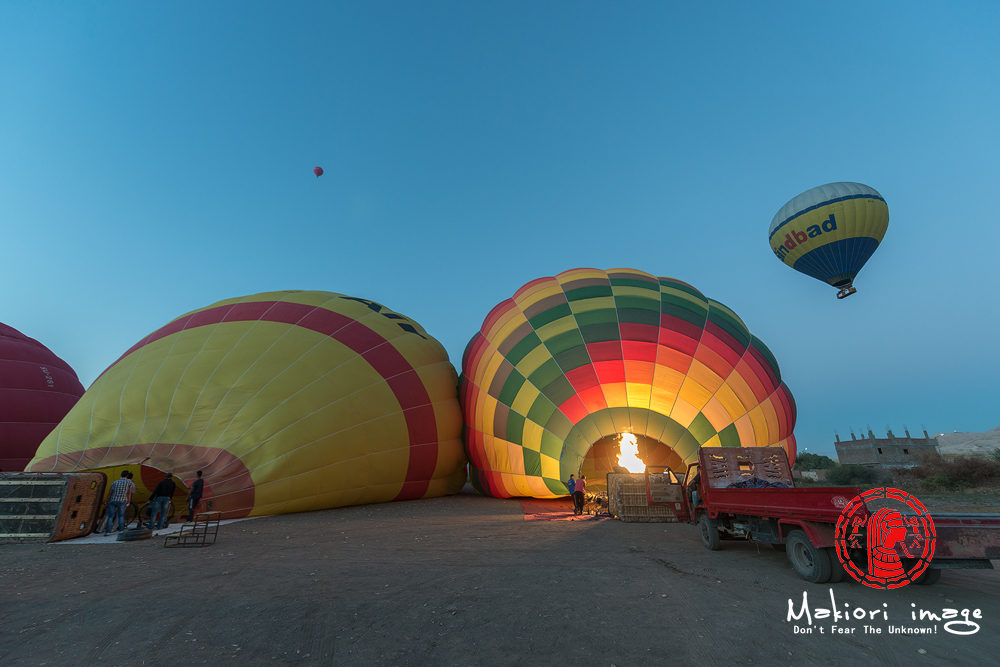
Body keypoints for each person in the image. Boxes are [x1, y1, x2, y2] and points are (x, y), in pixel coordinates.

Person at [103, 471, 135, 535]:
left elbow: (110, 493)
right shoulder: (129, 483)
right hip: (122, 501)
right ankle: (121, 530)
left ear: (120, 475)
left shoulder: (114, 482)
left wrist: (107, 502)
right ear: (127, 475)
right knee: (121, 516)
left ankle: (107, 532)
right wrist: (128, 502)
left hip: (113, 500)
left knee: (110, 516)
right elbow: (129, 493)